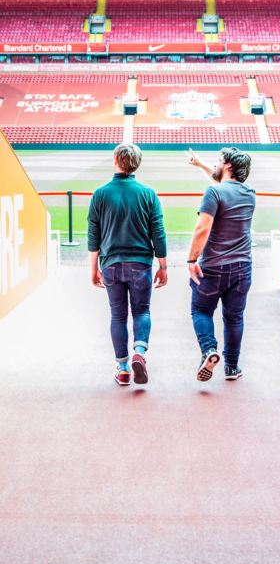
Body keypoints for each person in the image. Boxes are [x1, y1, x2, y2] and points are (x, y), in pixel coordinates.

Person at [88, 143, 168, 386]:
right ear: (137, 164)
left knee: (118, 315)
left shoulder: (100, 194)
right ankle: (139, 353)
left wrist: (93, 268)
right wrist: (163, 266)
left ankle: (123, 368)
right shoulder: (148, 194)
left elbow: (94, 235)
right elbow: (159, 233)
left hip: (111, 265)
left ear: (115, 160)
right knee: (142, 311)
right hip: (141, 265)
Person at [186, 147, 255, 382]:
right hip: (242, 268)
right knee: (234, 318)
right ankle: (232, 367)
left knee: (201, 310)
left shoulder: (213, 193)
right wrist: (202, 165)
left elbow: (202, 228)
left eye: (218, 161)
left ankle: (208, 349)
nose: (215, 164)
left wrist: (192, 259)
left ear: (227, 166)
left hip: (212, 268)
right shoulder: (249, 194)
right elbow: (223, 187)